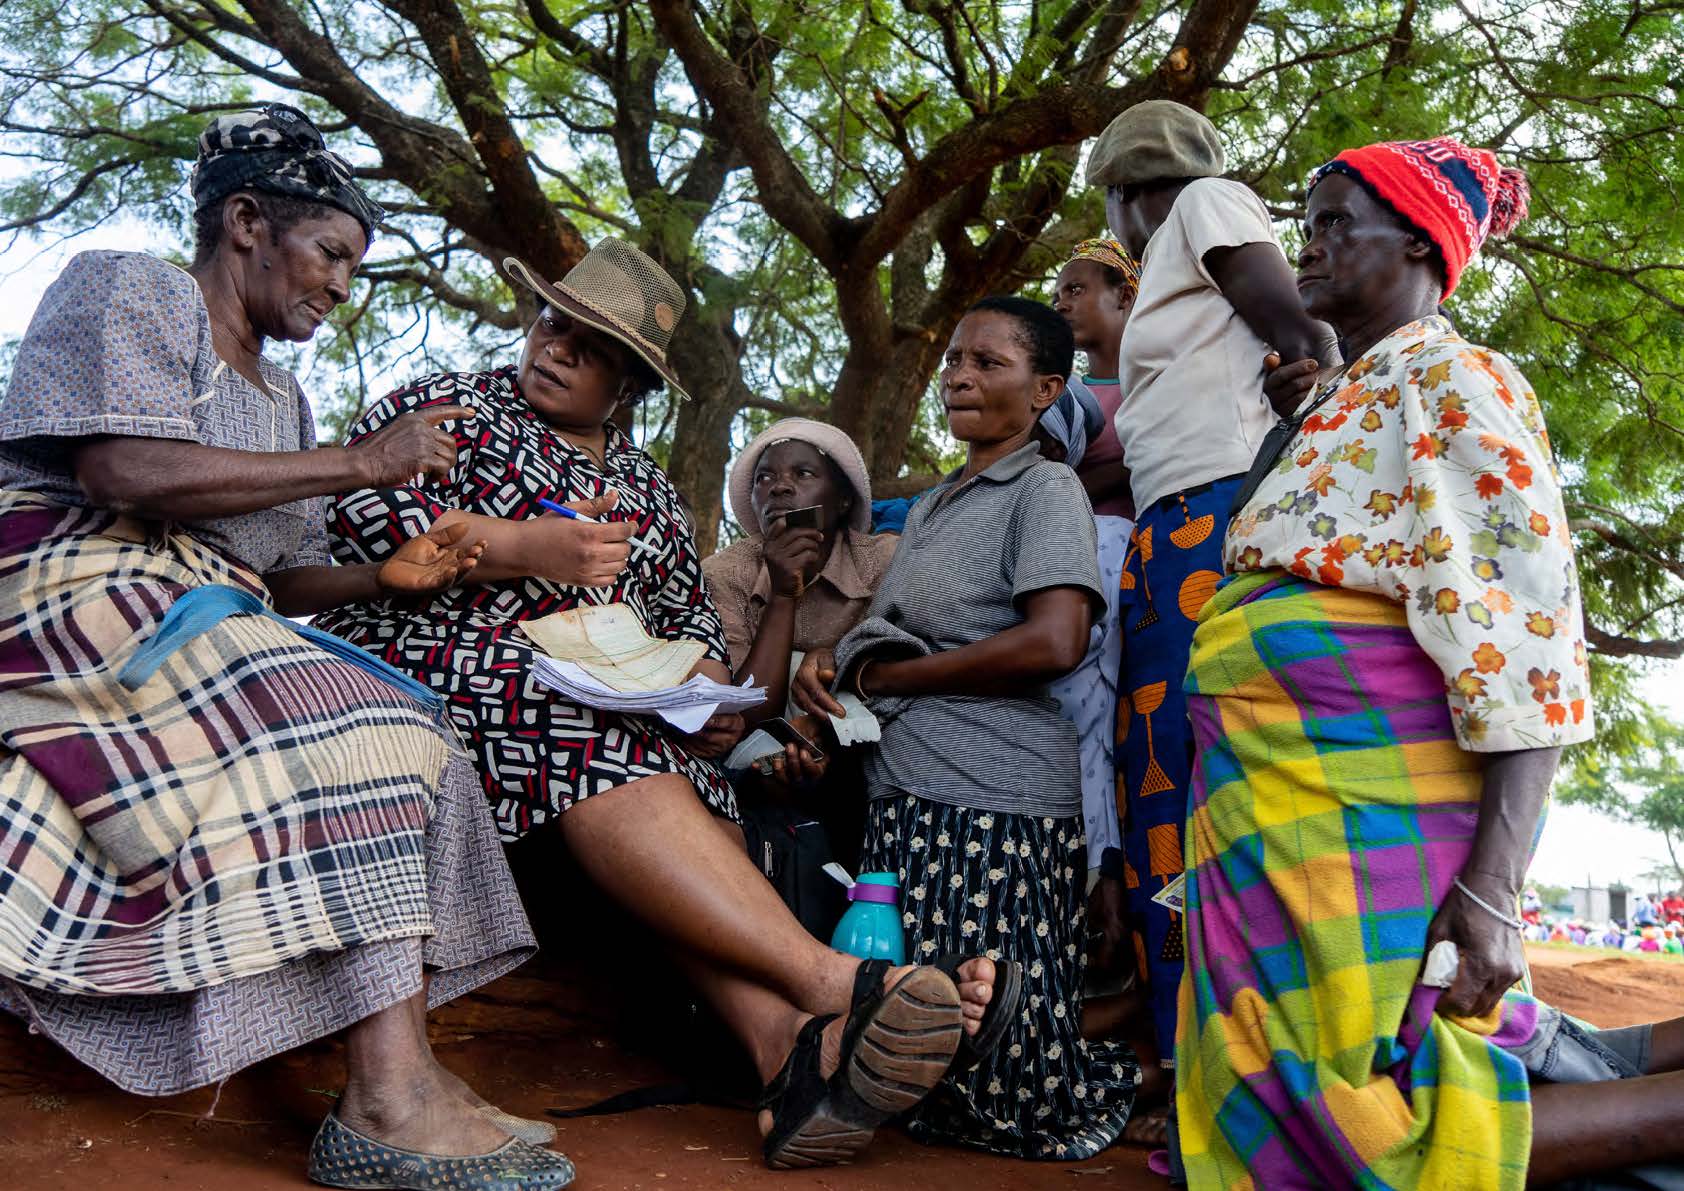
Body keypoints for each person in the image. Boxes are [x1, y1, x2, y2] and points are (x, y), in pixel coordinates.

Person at [318, 239, 1003, 1169]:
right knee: (579, 722)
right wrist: (526, 550)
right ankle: (837, 978)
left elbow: (685, 623)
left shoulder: (645, 489)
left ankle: (789, 1053)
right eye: (554, 321)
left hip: (609, 709)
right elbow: (370, 537)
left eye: (590, 345)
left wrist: (705, 696)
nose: (554, 345)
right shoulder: (453, 411)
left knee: (685, 759)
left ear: (632, 384)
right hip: (449, 666)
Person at [0, 104, 574, 1188]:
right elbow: (122, 473)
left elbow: (270, 577)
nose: (342, 286)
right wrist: (363, 463)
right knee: (347, 717)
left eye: (353, 266)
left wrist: (378, 577)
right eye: (333, 254)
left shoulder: (289, 398)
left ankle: (411, 1070)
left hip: (211, 608)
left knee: (419, 729)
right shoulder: (135, 286)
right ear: (248, 222)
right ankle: (386, 1099)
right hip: (78, 577)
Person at [1181, 134, 1684, 1187]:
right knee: (1274, 1086)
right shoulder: (1342, 397)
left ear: (1416, 241)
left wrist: (1495, 888)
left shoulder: (1458, 378)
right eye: (1303, 223)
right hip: (1277, 803)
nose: (1304, 249)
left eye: (1332, 225)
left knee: (1365, 1115)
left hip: (1369, 795)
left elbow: (1527, 627)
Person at [794, 296, 1140, 1159]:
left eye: (989, 363)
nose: (959, 374)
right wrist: (833, 660)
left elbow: (1059, 637)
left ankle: (1127, 1045)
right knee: (914, 1046)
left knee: (998, 1079)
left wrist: (899, 676)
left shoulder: (1044, 485)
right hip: (910, 791)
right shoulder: (942, 500)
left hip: (993, 805)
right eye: (954, 358)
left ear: (1045, 389)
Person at [1083, 100, 1341, 1070]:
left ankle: (1220, 1068)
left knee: (1189, 783)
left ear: (1121, 190)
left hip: (1213, 517)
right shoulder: (1166, 274)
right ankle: (1184, 1052)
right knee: (1161, 774)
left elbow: (1298, 330)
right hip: (1168, 524)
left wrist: (1311, 374)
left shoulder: (1204, 204)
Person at [1049, 238, 1142, 988]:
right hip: (1075, 564)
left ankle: (1109, 878)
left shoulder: (1152, 383)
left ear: (1125, 295)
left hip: (1134, 557)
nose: (1062, 304)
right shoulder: (1066, 395)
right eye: (1056, 295)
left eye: (1075, 289)